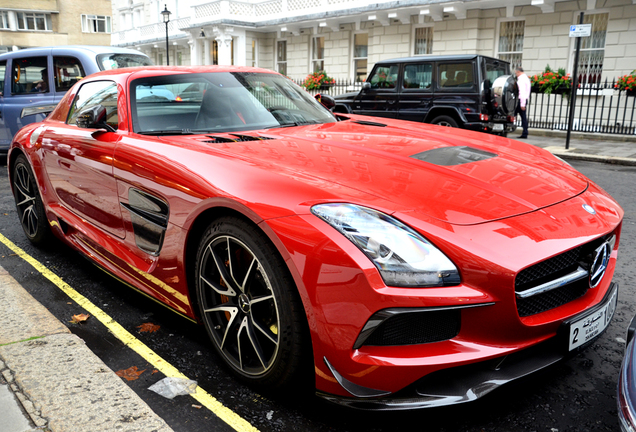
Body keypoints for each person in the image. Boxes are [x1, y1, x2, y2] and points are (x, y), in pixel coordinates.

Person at [515, 66, 530, 139]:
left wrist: (522, 104)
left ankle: (525, 132)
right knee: (523, 117)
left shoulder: (521, 79)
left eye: (516, 73)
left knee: (513, 115)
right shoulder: (525, 78)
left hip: (520, 100)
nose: (516, 75)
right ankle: (525, 132)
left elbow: (522, 92)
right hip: (522, 100)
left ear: (518, 72)